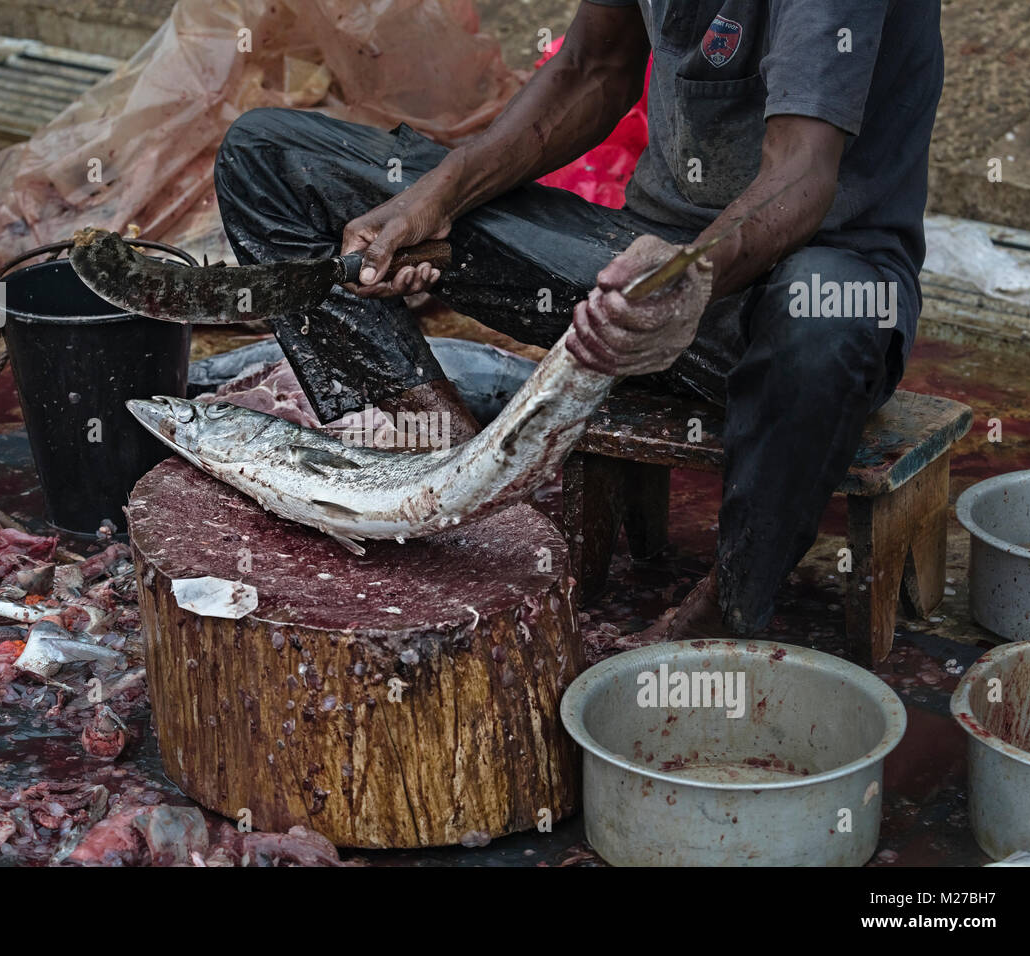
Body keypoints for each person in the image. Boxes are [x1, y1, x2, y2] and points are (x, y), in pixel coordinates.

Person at [212, 0, 943, 640]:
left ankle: (731, 608)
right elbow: (592, 69)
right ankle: (459, 471)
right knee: (267, 154)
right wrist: (436, 196)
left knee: (824, 316)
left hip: (803, 287)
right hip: (635, 271)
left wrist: (692, 275)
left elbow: (803, 170)